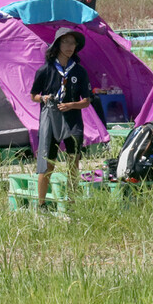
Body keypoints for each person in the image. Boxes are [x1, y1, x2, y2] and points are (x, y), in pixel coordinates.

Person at [30, 28, 93, 210]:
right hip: (51, 119)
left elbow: (86, 101)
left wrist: (71, 105)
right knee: (48, 163)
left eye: (73, 43)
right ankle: (41, 204)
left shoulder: (79, 72)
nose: (69, 47)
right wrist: (42, 98)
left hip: (73, 120)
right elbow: (33, 95)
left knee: (73, 162)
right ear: (57, 45)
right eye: (65, 42)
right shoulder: (45, 70)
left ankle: (72, 203)